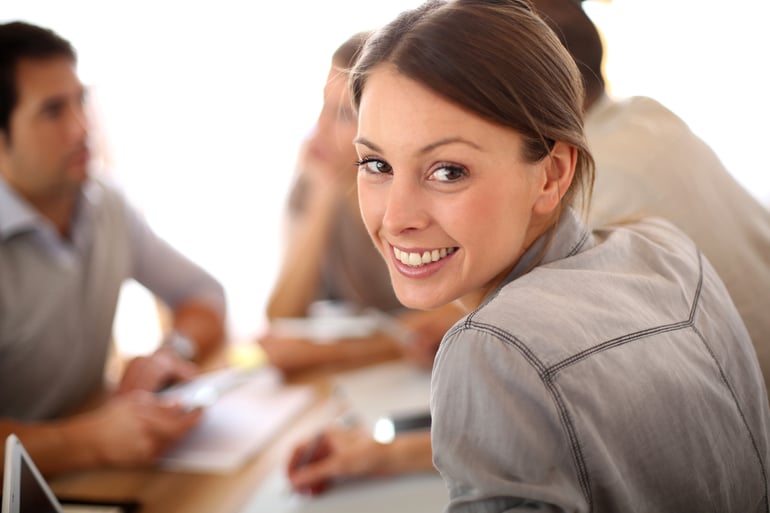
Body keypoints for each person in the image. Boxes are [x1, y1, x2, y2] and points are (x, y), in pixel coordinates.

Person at [291, 0, 770, 511]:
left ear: (552, 174)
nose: (397, 216)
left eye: (448, 171)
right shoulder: (664, 246)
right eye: (376, 163)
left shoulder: (488, 350)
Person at [0, 21, 227, 476]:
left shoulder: (106, 205)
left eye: (80, 101)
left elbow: (205, 295)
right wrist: (92, 440)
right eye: (53, 111)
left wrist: (172, 352)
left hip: (89, 471)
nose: (82, 127)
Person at [258, 31, 463, 373]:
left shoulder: (415, 204)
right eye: (322, 106)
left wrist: (325, 354)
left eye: (342, 114)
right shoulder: (317, 176)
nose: (319, 128)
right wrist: (324, 199)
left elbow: (448, 320)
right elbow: (281, 315)